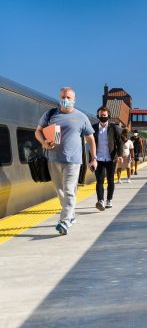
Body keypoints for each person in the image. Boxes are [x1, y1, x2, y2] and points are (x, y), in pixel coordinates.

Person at [35, 87, 97, 235]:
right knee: (60, 191)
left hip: (73, 161)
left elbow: (90, 138)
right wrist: (43, 142)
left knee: (69, 190)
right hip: (53, 159)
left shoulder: (81, 117)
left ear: (74, 100)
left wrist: (93, 157)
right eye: (63, 96)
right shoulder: (50, 114)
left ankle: (64, 221)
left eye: (69, 97)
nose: (66, 99)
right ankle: (71, 215)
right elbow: (38, 131)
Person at [92, 106, 123, 211]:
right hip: (98, 159)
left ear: (108, 116)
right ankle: (100, 200)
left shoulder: (114, 128)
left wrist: (119, 155)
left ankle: (109, 199)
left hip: (111, 158)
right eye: (101, 115)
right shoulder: (94, 128)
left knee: (110, 180)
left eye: (104, 115)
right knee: (99, 180)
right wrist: (92, 159)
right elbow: (90, 144)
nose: (102, 117)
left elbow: (120, 142)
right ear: (98, 116)